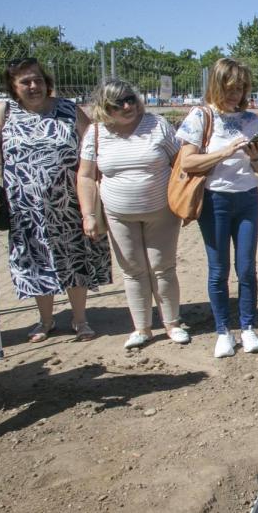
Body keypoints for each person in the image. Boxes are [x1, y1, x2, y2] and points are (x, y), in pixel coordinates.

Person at [0, 58, 110, 343]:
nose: (33, 86)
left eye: (37, 79)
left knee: (74, 258)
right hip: (26, 208)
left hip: (70, 204)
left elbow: (93, 148)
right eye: (25, 82)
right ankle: (46, 320)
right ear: (13, 86)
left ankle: (80, 319)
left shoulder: (67, 109)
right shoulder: (3, 112)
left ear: (46, 81)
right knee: (34, 261)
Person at [76, 79, 189, 349]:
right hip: (118, 215)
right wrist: (88, 214)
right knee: (133, 270)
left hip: (161, 212)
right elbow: (86, 176)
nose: (127, 106)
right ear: (105, 108)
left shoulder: (157, 125)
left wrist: (185, 200)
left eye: (130, 99)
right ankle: (142, 328)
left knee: (163, 267)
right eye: (118, 103)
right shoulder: (95, 133)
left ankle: (172, 324)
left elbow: (180, 165)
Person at [176, 58, 258, 358]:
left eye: (241, 88)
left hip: (247, 199)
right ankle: (222, 332)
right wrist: (226, 150)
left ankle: (248, 328)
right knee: (219, 270)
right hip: (214, 200)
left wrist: (254, 156)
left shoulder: (253, 120)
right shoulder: (201, 117)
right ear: (216, 86)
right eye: (230, 88)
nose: (236, 94)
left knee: (246, 268)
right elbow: (188, 161)